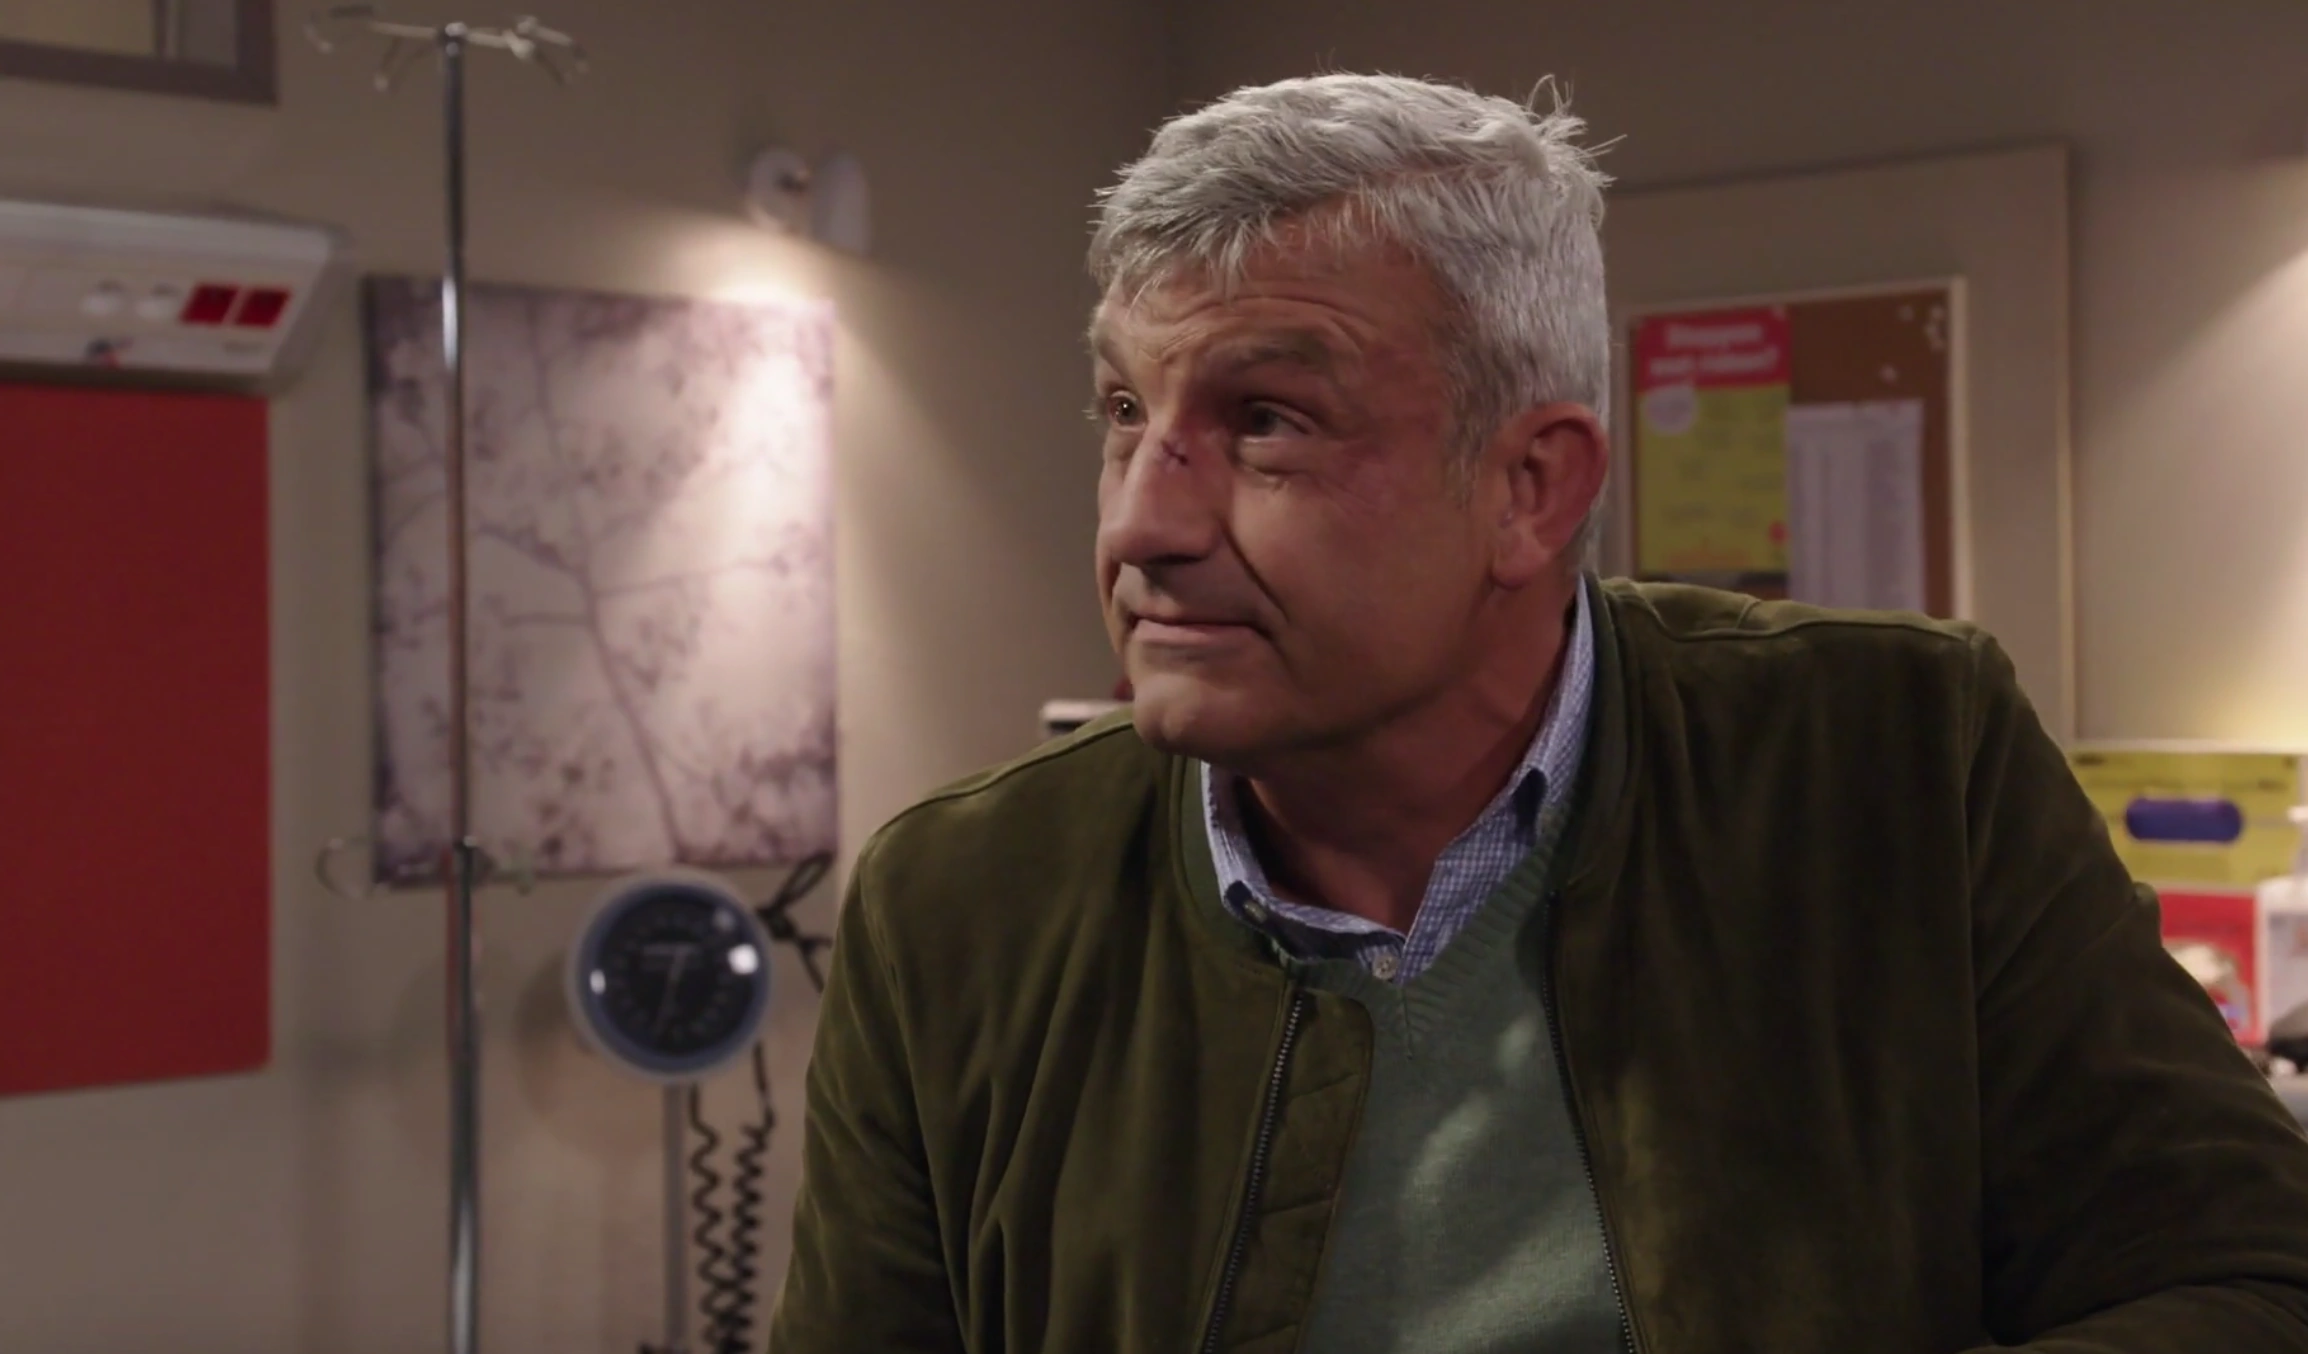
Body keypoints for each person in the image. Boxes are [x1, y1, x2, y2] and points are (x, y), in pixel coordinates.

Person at [769, 73, 2308, 1354]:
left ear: (1531, 486)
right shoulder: (959, 904)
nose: (1140, 522)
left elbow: (2250, 1281)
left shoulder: (1897, 760)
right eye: (1126, 411)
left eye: (1268, 422)